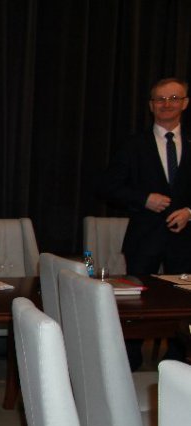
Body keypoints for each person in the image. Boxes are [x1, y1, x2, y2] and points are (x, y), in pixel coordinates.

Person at [100, 77, 191, 369]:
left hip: (185, 239)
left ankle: (178, 359)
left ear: (185, 103)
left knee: (183, 301)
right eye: (160, 99)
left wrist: (189, 211)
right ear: (151, 105)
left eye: (174, 98)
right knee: (135, 300)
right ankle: (129, 359)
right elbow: (109, 186)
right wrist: (144, 199)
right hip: (144, 237)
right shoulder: (133, 144)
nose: (167, 104)